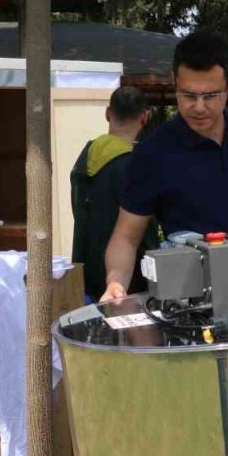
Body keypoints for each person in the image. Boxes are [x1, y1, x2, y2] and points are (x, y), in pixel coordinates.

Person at [102, 30, 228, 300]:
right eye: (188, 95)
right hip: (189, 308)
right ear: (175, 82)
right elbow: (126, 237)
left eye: (210, 96)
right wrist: (115, 282)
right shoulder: (152, 153)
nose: (198, 107)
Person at [70, 86, 160, 301]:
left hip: (86, 272)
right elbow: (145, 233)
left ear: (108, 113)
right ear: (145, 117)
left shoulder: (84, 160)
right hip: (127, 283)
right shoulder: (135, 167)